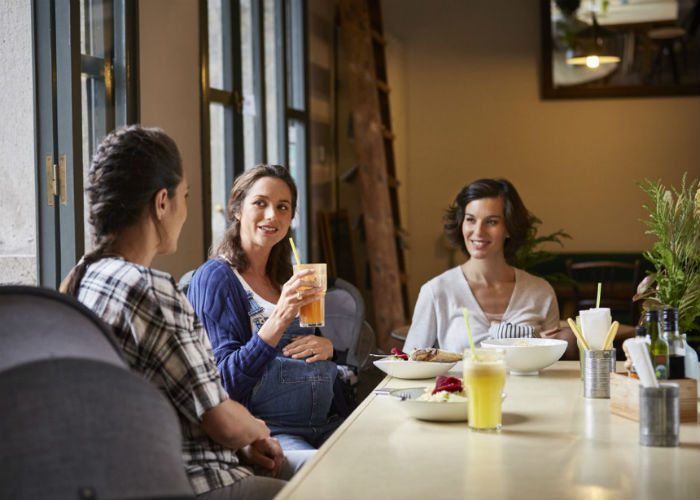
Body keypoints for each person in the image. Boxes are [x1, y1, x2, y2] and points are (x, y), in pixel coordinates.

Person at [61, 125, 306, 500]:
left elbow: (173, 404)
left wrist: (242, 442)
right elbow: (222, 416)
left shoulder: (82, 276)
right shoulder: (154, 290)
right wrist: (254, 430)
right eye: (185, 196)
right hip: (193, 480)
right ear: (162, 202)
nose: (185, 210)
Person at [186, 165, 343, 452]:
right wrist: (280, 317)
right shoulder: (216, 278)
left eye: (283, 207)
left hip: (328, 423)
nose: (272, 215)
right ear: (237, 210)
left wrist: (328, 347)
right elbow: (223, 383)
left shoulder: (289, 276)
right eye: (260, 203)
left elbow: (316, 354)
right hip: (266, 433)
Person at [403, 178, 576, 358]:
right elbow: (408, 364)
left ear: (509, 227)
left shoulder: (540, 292)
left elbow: (554, 366)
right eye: (470, 219)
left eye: (491, 221)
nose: (478, 232)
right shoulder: (436, 292)